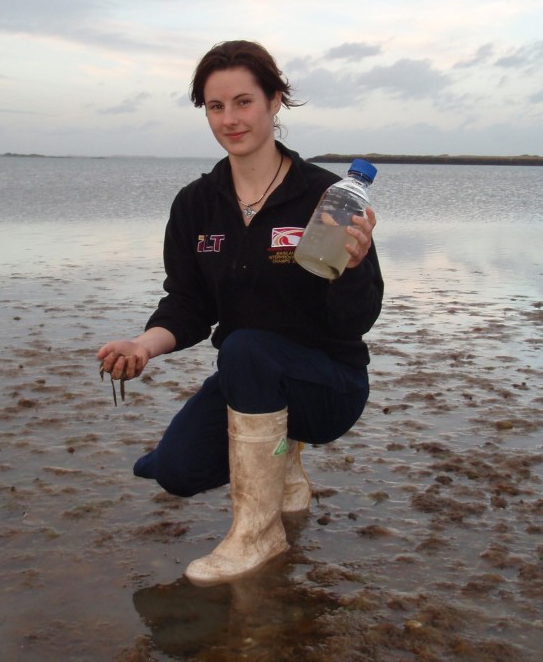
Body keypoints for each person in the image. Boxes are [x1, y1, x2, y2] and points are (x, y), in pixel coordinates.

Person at [97, 40, 383, 586]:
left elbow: (357, 320)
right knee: (174, 471)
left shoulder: (325, 196)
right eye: (215, 106)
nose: (230, 119)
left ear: (276, 102)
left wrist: (357, 266)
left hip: (329, 384)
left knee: (248, 346)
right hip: (248, 379)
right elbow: (187, 303)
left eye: (244, 102)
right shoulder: (196, 204)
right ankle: (284, 465)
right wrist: (143, 344)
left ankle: (257, 533)